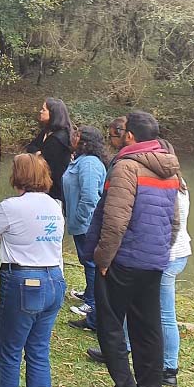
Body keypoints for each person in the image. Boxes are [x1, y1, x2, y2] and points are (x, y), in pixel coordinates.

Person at [79, 110, 180, 387]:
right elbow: (174, 221)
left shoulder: (126, 166)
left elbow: (115, 220)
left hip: (124, 260)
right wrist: (161, 250)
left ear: (131, 136)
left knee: (110, 327)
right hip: (154, 260)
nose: (118, 134)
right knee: (147, 327)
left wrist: (104, 259)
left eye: (122, 131)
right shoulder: (170, 168)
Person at [0, 153, 65, 387]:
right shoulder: (55, 206)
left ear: (19, 176)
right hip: (54, 279)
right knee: (39, 352)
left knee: (11, 352)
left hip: (24, 280)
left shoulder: (11, 207)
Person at [62, 126, 107, 322]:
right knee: (86, 259)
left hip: (87, 224)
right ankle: (89, 293)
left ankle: (92, 303)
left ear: (85, 142)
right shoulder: (81, 161)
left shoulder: (89, 164)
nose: (73, 137)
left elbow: (90, 197)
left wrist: (80, 219)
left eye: (77, 136)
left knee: (90, 262)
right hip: (81, 222)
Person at [162, 177, 191, 385]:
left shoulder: (168, 186)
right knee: (131, 303)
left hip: (169, 256)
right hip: (178, 252)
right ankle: (124, 345)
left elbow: (171, 225)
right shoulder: (180, 182)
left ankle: (169, 368)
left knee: (165, 314)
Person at [24, 98, 72, 201]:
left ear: (53, 113)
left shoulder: (59, 138)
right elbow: (30, 147)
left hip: (54, 189)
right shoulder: (46, 132)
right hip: (43, 185)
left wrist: (39, 155)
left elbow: (46, 162)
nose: (40, 111)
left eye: (44, 109)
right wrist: (38, 153)